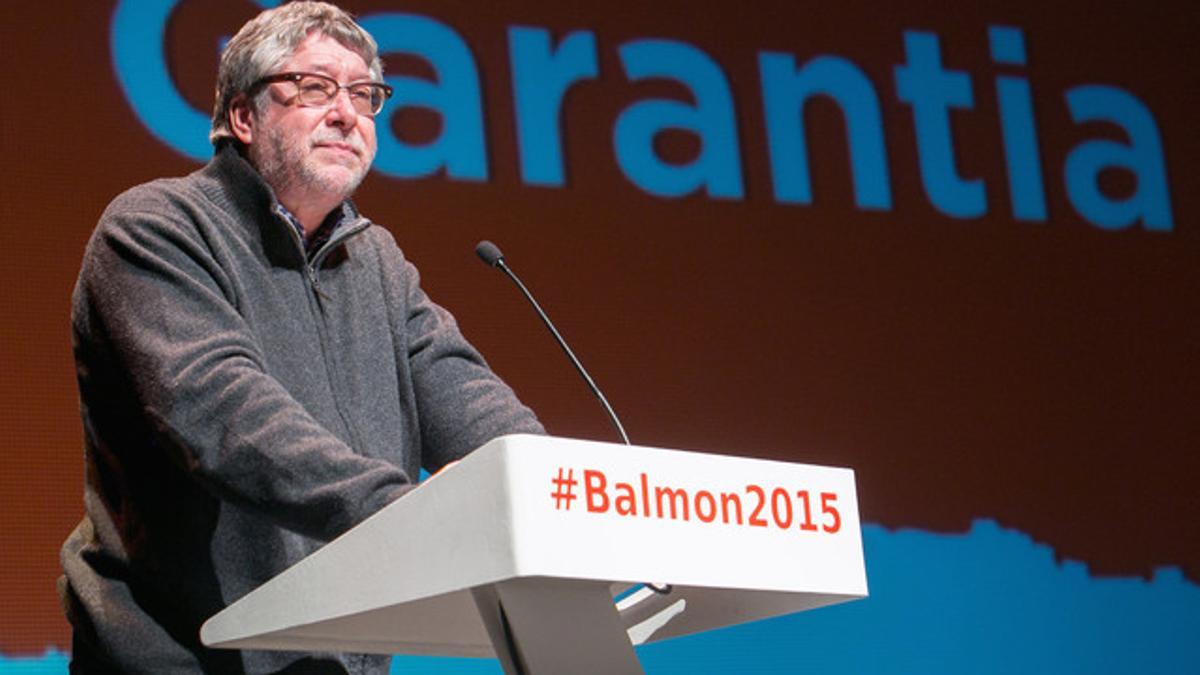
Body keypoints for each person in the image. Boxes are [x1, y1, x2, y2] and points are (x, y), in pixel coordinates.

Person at [58, 2, 543, 673]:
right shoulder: (155, 229)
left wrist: (555, 490)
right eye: (315, 88)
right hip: (186, 656)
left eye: (364, 95)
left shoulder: (377, 261)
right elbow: (223, 413)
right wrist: (412, 513)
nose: (347, 113)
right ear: (242, 116)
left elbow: (465, 393)